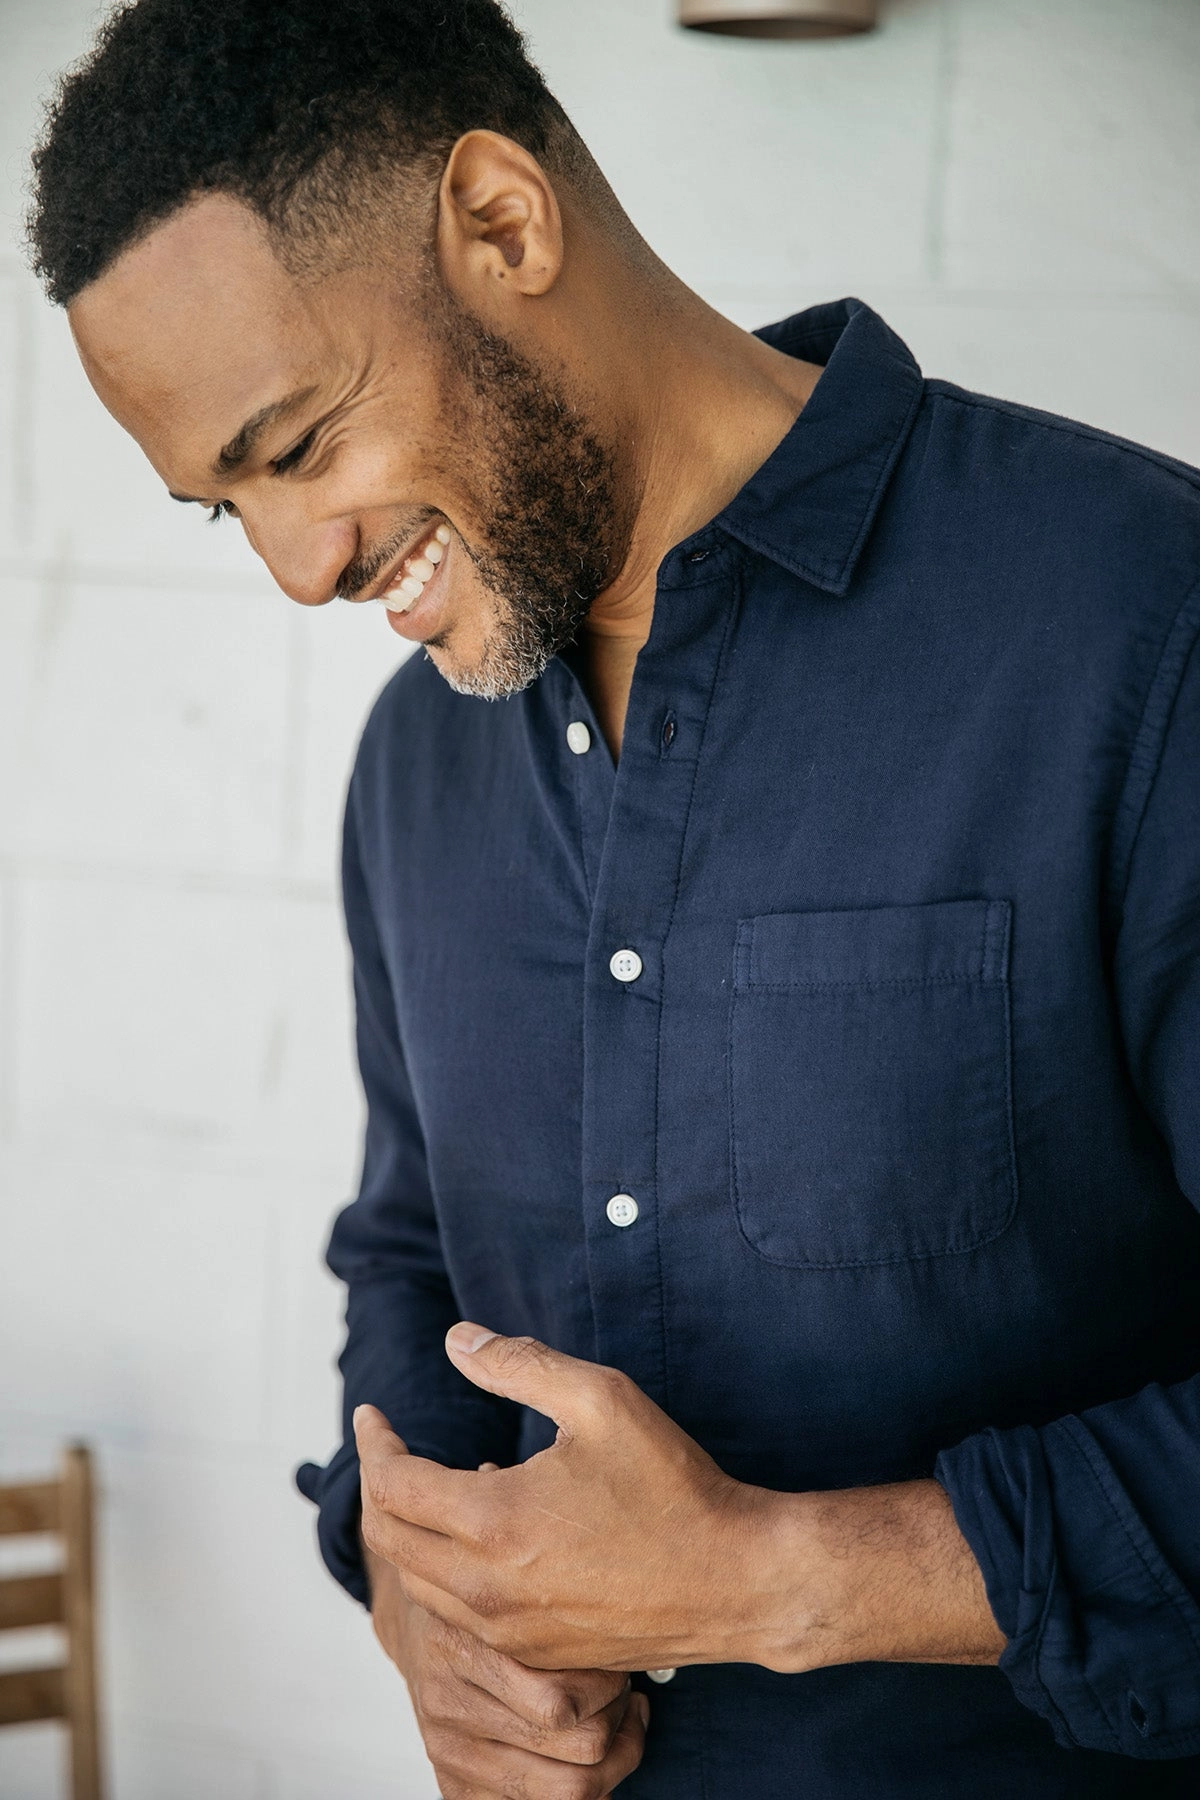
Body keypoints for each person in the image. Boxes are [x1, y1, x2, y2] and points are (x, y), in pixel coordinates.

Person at [27, 0, 1200, 1794]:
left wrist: (786, 1580)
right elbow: (408, 1252)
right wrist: (410, 1592)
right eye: (221, 509)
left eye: (300, 445)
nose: (296, 569)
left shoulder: (1142, 629)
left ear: (503, 223)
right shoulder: (411, 775)